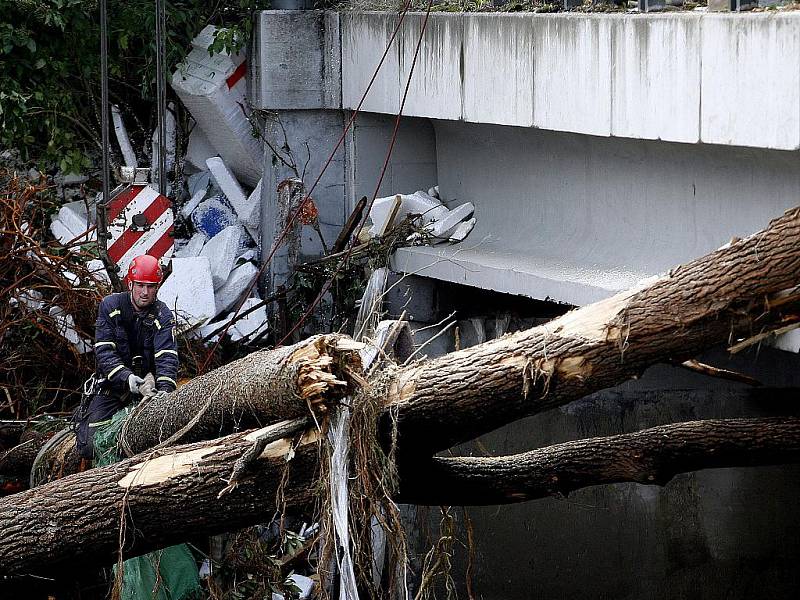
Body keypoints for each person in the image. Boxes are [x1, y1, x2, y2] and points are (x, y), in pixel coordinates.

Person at [75, 254, 178, 459]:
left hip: (150, 389)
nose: (145, 292)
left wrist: (164, 392)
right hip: (114, 387)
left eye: (151, 286)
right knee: (88, 446)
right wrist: (128, 378)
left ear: (157, 287)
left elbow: (167, 356)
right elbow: (104, 352)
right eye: (140, 285)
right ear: (130, 284)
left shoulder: (163, 315)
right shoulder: (111, 306)